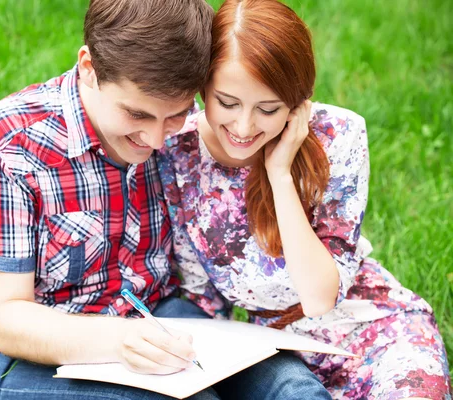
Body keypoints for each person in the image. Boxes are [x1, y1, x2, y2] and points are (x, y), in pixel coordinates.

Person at [0, 0, 330, 399]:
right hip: (30, 355)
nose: (155, 139)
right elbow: (6, 319)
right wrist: (118, 339)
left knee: (295, 388)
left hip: (159, 315)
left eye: (176, 115)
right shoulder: (9, 144)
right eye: (136, 115)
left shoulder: (179, 126)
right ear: (89, 69)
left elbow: (259, 105)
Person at [156, 0, 452, 399]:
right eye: (227, 102)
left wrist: (280, 175)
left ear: (298, 101)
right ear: (202, 88)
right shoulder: (177, 150)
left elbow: (318, 298)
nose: (243, 127)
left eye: (268, 108)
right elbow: (202, 299)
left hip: (374, 332)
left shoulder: (338, 136)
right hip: (270, 355)